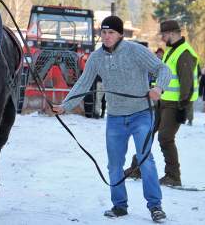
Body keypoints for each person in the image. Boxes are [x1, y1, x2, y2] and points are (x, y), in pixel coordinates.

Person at [52, 16, 170, 223]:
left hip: (141, 114)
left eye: (111, 33)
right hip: (115, 118)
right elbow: (83, 83)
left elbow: (163, 69)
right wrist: (65, 106)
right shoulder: (96, 58)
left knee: (145, 159)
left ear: (120, 34)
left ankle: (155, 206)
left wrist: (158, 87)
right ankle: (119, 205)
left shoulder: (135, 51)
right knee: (114, 164)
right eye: (104, 33)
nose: (106, 36)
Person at [157, 20, 198, 187]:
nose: (162, 38)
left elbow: (186, 83)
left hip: (175, 105)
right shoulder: (171, 50)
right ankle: (137, 168)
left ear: (173, 33)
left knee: (165, 138)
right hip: (163, 101)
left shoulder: (184, 53)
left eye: (164, 34)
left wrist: (183, 107)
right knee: (144, 132)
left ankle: (173, 176)